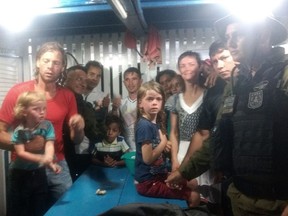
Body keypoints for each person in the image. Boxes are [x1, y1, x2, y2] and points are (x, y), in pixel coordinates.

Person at [212, 14, 288, 216]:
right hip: (241, 199)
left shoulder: (285, 74)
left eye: (238, 35)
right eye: (228, 37)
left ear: (264, 36)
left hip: (279, 205)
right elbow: (220, 131)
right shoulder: (236, 83)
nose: (231, 43)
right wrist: (184, 172)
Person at [0, 42, 85, 211]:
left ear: (62, 67)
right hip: (24, 168)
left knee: (70, 211)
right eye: (46, 61)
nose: (50, 67)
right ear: (37, 62)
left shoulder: (68, 96)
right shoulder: (19, 92)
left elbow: (76, 140)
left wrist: (79, 128)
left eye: (56, 62)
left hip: (57, 164)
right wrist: (26, 146)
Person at [166, 40, 236, 215]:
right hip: (188, 149)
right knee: (191, 192)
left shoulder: (211, 92)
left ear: (200, 67)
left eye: (191, 64)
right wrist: (176, 160)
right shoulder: (176, 99)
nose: (187, 68)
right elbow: (176, 131)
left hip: (212, 151)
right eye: (182, 65)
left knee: (213, 195)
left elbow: (207, 133)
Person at [134, 80, 196, 207]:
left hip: (159, 176)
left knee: (192, 182)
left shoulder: (153, 123)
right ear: (140, 103)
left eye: (158, 99)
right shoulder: (144, 125)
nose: (154, 102)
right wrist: (163, 142)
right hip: (148, 183)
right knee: (193, 195)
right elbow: (147, 159)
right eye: (150, 99)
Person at [9, 91, 61, 216]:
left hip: (38, 172)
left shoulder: (47, 126)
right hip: (20, 174)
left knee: (39, 202)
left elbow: (49, 144)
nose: (42, 112)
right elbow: (20, 152)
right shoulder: (19, 131)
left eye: (44, 108)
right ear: (24, 111)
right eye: (36, 109)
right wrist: (41, 158)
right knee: (20, 205)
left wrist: (49, 159)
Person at [64, 65, 105, 181]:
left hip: (79, 153)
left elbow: (93, 131)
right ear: (66, 77)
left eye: (84, 80)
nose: (83, 83)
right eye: (79, 79)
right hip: (59, 154)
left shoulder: (82, 102)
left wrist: (102, 112)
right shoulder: (58, 96)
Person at [111, 67, 143, 152]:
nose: (130, 83)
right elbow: (113, 126)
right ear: (124, 83)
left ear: (141, 81)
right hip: (126, 150)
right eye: (127, 80)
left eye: (134, 79)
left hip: (146, 149)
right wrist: (114, 108)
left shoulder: (147, 102)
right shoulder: (120, 103)